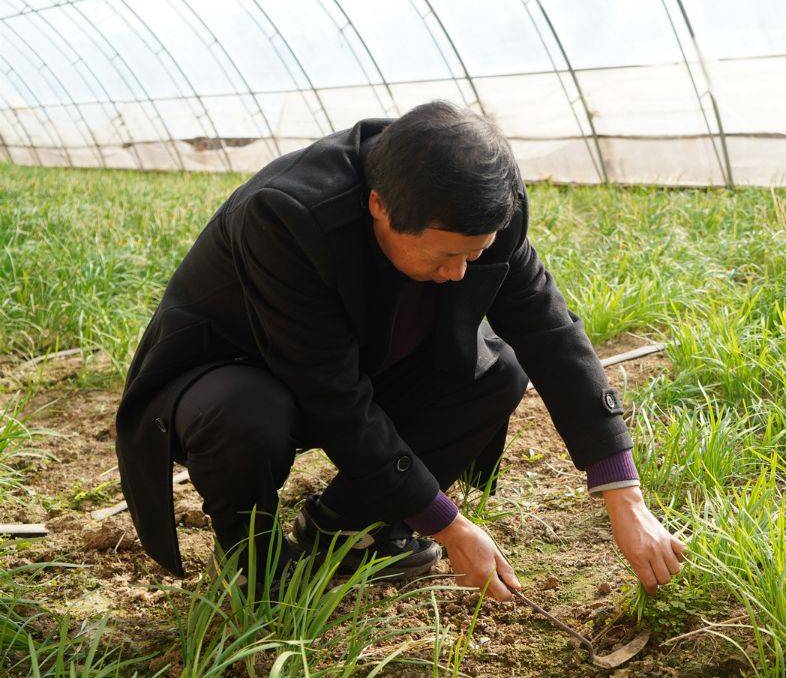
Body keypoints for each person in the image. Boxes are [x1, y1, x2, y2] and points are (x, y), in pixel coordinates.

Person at [114, 100, 686, 601]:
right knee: (245, 411)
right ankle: (253, 559)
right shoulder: (288, 214)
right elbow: (329, 392)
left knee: (496, 373)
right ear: (380, 207)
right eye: (442, 257)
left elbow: (551, 334)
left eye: (476, 254)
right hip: (238, 373)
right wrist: (448, 524)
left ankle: (343, 527)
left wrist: (623, 493)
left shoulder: (486, 208)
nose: (462, 271)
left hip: (359, 362)